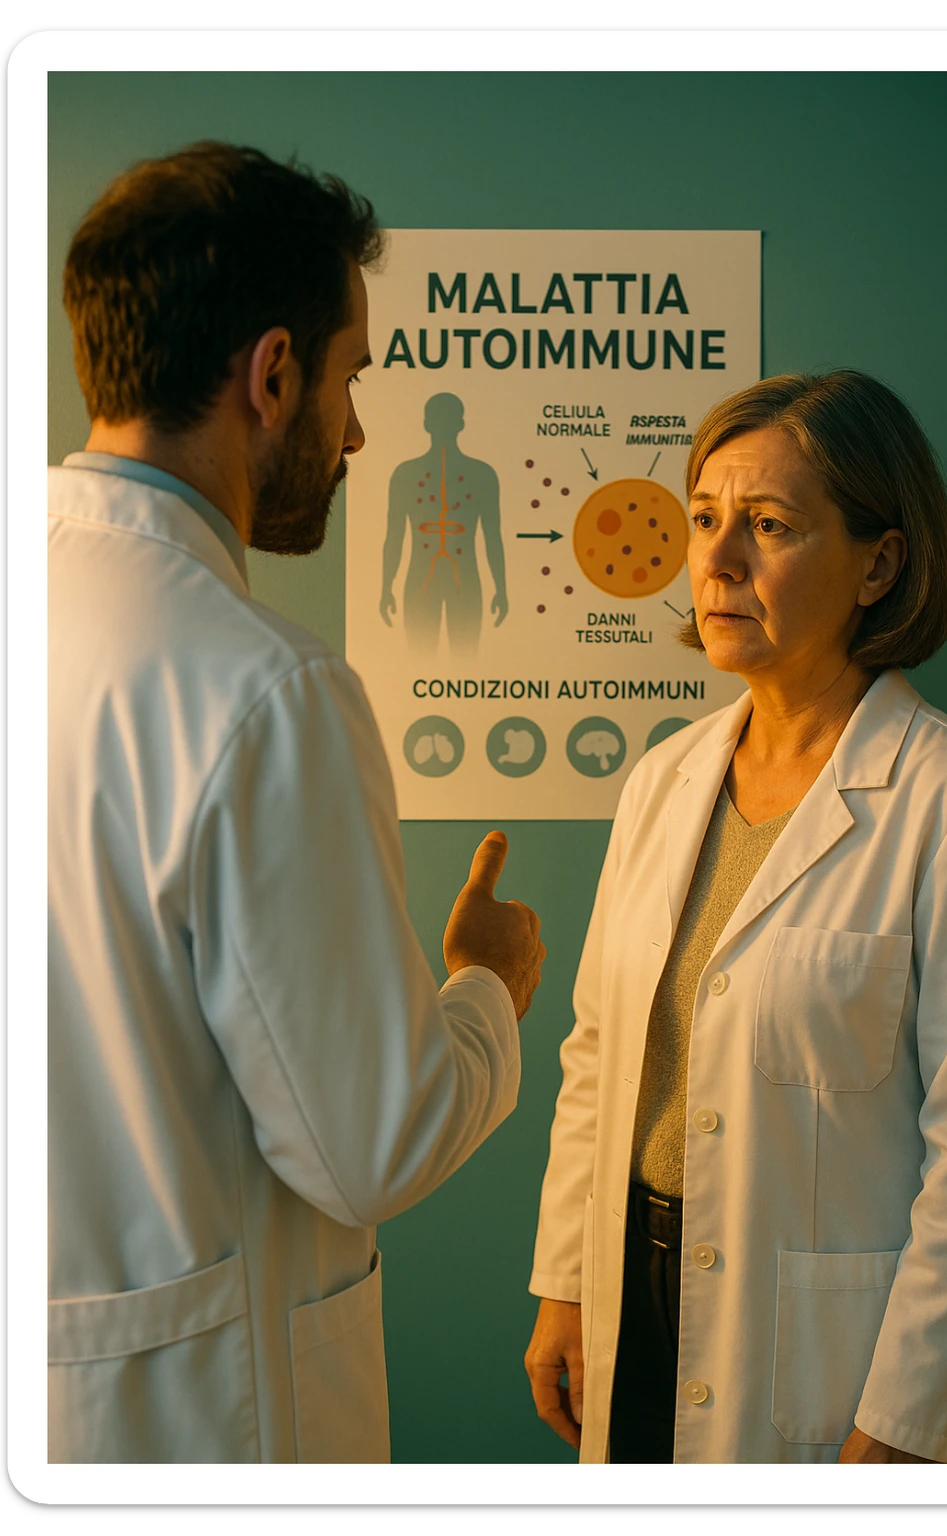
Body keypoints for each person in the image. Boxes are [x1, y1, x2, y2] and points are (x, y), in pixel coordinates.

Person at [48, 142, 544, 1464]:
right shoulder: (263, 687)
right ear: (273, 375)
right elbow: (370, 1149)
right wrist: (488, 988)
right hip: (198, 1421)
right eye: (351, 377)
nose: (360, 431)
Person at [524, 370, 947, 1465]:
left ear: (879, 564)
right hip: (631, 1296)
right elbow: (600, 1057)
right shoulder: (663, 780)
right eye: (704, 519)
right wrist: (567, 1283)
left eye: (768, 526)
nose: (717, 562)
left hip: (833, 1355)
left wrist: (907, 1420)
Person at [379, 391, 508, 658]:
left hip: (463, 580)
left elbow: (493, 537)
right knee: (419, 660)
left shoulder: (482, 475)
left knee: (465, 659)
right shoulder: (405, 475)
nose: (444, 426)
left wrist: (501, 589)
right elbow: (394, 536)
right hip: (422, 579)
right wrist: (386, 587)